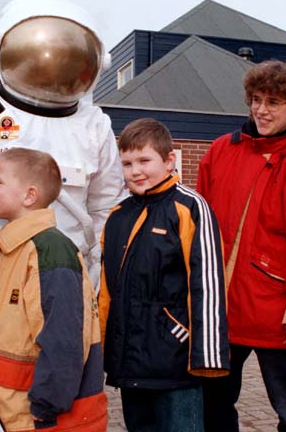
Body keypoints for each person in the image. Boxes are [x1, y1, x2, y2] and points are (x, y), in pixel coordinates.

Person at [0, 0, 127, 409]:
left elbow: (107, 209)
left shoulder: (93, 126)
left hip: (63, 282)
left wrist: (96, 280)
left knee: (58, 373)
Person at [196, 60, 286, 432]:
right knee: (213, 404)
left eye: (273, 102)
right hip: (222, 309)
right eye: (256, 99)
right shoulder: (220, 151)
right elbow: (199, 227)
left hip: (277, 310)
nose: (261, 109)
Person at [0, 148, 107, 432]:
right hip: (10, 412)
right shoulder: (13, 248)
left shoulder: (48, 251)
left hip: (37, 419)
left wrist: (47, 403)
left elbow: (63, 338)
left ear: (29, 195)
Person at [99, 118, 230, 432]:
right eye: (127, 163)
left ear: (169, 160)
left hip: (174, 361)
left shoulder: (190, 207)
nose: (135, 171)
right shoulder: (117, 217)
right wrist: (107, 349)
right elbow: (106, 291)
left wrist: (207, 357)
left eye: (145, 160)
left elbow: (208, 284)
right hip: (130, 363)